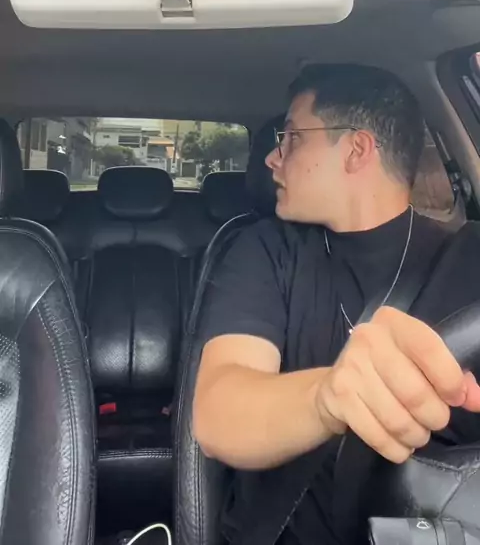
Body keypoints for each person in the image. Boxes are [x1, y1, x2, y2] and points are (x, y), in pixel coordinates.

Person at [192, 63, 480, 545]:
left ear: (356, 150)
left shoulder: (470, 259)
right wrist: (326, 399)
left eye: (291, 138)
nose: (272, 158)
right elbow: (219, 413)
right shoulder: (266, 250)